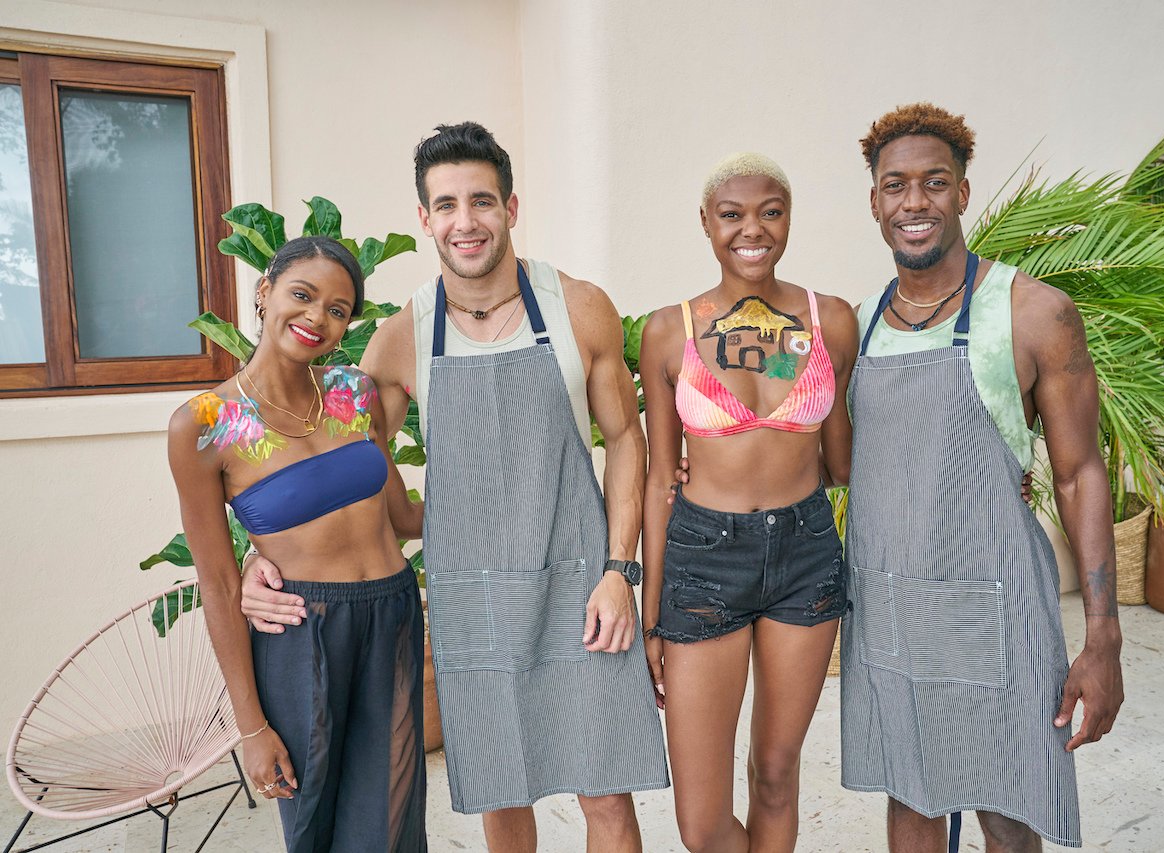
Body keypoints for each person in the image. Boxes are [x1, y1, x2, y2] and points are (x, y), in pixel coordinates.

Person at [240, 122, 669, 853]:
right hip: (475, 598)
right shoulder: (405, 332)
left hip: (581, 587)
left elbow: (627, 440)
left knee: (607, 799)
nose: (464, 221)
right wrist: (262, 551)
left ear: (509, 207)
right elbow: (340, 463)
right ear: (425, 219)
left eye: (480, 201)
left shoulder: (579, 306)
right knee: (504, 803)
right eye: (446, 205)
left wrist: (619, 570)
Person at [840, 103, 1124, 852]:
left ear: (963, 192)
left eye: (934, 182)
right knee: (910, 794)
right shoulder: (860, 322)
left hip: (995, 607)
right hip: (890, 605)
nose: (914, 202)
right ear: (874, 201)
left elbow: (1079, 472)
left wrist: (1104, 639)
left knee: (1008, 802)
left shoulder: (1031, 313)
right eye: (895, 185)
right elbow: (826, 452)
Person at [167, 235, 427, 852]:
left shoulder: (354, 395)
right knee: (312, 824)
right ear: (265, 292)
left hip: (391, 614)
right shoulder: (204, 424)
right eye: (302, 295)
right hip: (301, 630)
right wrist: (251, 727)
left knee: (391, 818)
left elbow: (403, 517)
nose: (316, 318)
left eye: (337, 310)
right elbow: (221, 582)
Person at [638, 153, 859, 853]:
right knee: (701, 823)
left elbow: (847, 461)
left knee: (775, 772)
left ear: (788, 217)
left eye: (770, 210)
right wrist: (650, 617)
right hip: (704, 558)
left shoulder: (834, 321)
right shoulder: (669, 331)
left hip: (805, 550)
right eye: (732, 214)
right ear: (706, 222)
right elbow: (655, 477)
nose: (752, 228)